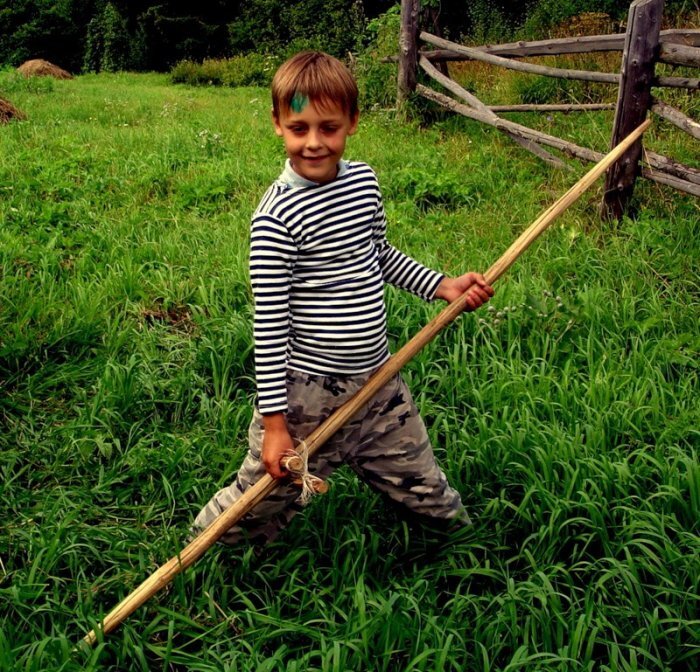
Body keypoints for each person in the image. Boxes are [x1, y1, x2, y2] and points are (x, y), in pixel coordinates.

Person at [192, 51, 494, 547]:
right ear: (277, 124)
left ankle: (461, 550)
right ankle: (194, 554)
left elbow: (379, 255)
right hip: (308, 396)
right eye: (299, 128)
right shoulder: (276, 218)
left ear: (352, 122)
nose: (313, 143)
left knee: (432, 499)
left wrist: (442, 286)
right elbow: (269, 328)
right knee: (254, 507)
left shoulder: (363, 183)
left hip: (378, 383)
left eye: (328, 128)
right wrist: (275, 424)